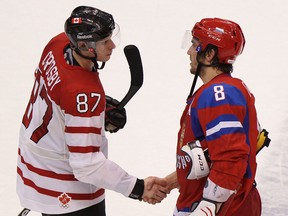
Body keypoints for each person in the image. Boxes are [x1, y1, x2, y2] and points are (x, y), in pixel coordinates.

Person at [16, 6, 168, 216]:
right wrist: (138, 188)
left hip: (33, 160)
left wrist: (96, 110)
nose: (112, 45)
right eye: (105, 41)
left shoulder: (58, 43)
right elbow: (86, 166)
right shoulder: (84, 95)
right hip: (64, 186)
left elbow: (61, 93)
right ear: (84, 45)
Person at [157, 18, 263, 215]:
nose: (189, 51)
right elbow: (208, 154)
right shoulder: (225, 90)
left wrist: (208, 206)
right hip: (217, 203)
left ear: (209, 54)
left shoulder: (218, 94)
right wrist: (172, 181)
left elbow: (231, 157)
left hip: (222, 207)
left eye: (195, 45)